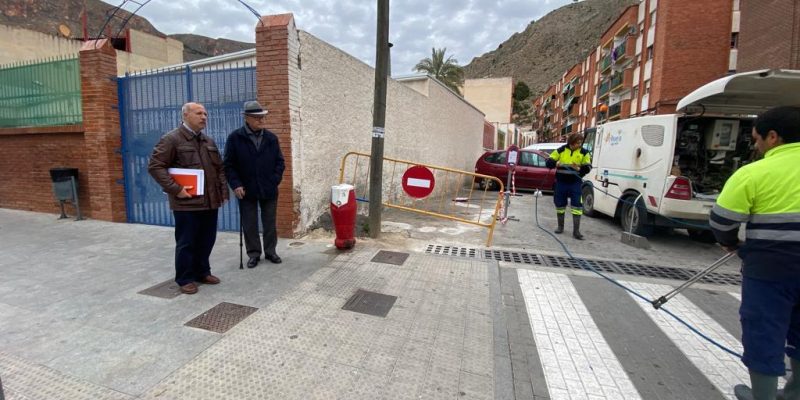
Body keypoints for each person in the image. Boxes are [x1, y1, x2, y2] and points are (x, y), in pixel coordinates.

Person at [710, 106, 800, 400]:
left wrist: (730, 243)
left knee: (764, 331)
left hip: (771, 269)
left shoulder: (755, 172)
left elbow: (722, 219)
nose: (756, 146)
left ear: (773, 137)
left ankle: (763, 396)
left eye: (757, 139)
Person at [148, 102, 229, 295]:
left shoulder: (208, 141)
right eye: (199, 113)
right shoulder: (171, 139)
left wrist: (223, 193)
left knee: (207, 239)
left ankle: (203, 271)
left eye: (206, 114)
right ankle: (184, 278)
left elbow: (219, 170)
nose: (204, 117)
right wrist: (176, 189)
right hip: (186, 203)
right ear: (185, 115)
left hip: (210, 201)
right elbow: (155, 166)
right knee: (187, 241)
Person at [224, 101, 286, 268]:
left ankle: (271, 251)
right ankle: (253, 254)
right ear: (247, 118)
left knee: (270, 222)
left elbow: (280, 162)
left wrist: (274, 180)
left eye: (262, 117)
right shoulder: (235, 138)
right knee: (249, 223)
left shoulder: (271, 138)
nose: (261, 120)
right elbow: (229, 165)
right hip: (245, 189)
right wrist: (236, 184)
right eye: (257, 117)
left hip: (268, 188)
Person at [545, 132, 592, 239]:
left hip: (575, 183)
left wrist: (579, 169)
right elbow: (548, 162)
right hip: (561, 183)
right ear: (571, 142)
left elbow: (588, 167)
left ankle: (576, 232)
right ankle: (560, 227)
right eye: (577, 143)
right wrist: (555, 163)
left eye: (580, 142)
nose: (579, 145)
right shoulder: (561, 150)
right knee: (560, 205)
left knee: (577, 206)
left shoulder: (584, 152)